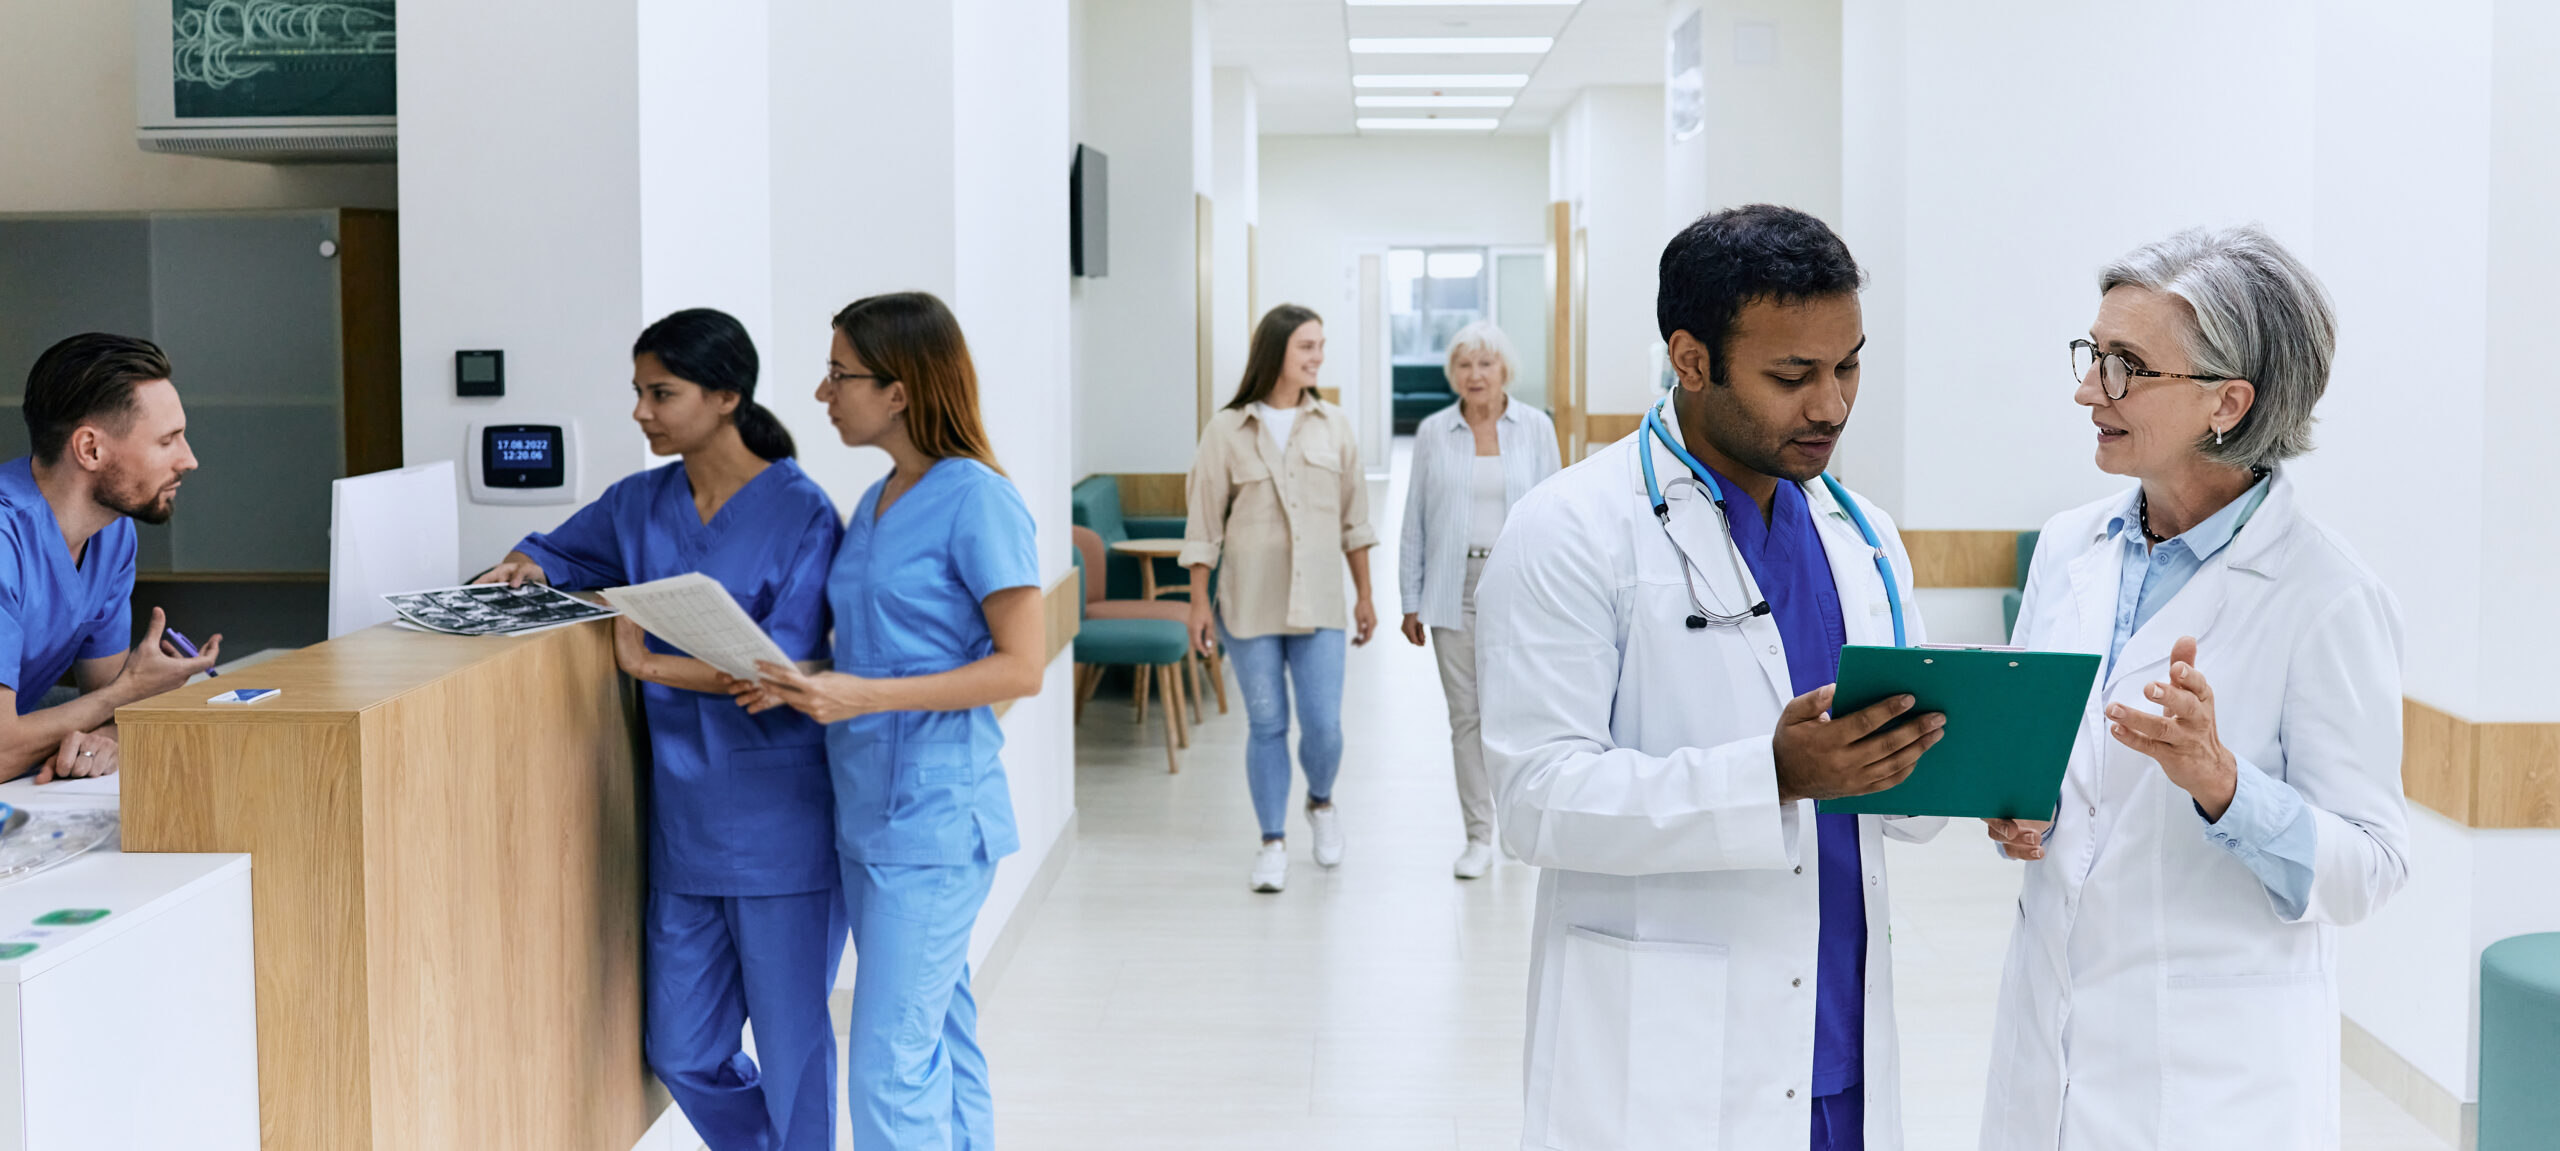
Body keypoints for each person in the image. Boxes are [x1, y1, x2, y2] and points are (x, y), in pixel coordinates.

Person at [1476, 205, 1947, 1151]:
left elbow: (1901, 801)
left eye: (1849, 365)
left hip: (1839, 1035)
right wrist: (1770, 775)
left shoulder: (1861, 537)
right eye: (1793, 376)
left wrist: (1978, 771)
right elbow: (1535, 798)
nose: (1831, 405)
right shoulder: (1570, 528)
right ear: (1691, 360)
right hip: (1669, 1047)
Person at [1979, 227, 2409, 1151]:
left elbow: (2372, 867)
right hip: (2050, 1043)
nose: (2089, 390)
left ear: (2229, 401)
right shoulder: (2069, 547)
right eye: (2092, 354)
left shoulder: (2326, 597)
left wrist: (2223, 782)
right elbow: (2058, 774)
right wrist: (2022, 809)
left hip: (2213, 1084)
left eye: (2126, 367)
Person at [473, 309, 846, 1151]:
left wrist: (649, 665)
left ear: (726, 396)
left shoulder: (802, 513)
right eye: (639, 391)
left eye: (662, 393)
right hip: (685, 828)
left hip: (782, 826)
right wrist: (529, 564)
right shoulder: (639, 503)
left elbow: (783, 670)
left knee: (793, 1052)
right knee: (681, 1048)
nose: (641, 411)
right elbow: (558, 552)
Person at [731, 291, 1043, 1151]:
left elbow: (1021, 665)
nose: (822, 392)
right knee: (939, 1037)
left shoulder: (977, 499)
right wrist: (807, 681)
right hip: (867, 811)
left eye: (840, 374)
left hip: (934, 822)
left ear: (899, 390)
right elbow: (881, 653)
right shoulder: (876, 501)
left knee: (888, 1068)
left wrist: (860, 697)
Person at [1179, 303, 1379, 895]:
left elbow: (1355, 522)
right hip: (1248, 603)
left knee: (1324, 727)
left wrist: (1365, 595)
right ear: (1277, 353)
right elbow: (1203, 527)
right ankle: (1272, 842)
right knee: (1266, 724)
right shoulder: (1225, 430)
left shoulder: (1334, 426)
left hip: (1320, 602)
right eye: (1307, 347)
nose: (1318, 357)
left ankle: (1321, 801)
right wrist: (1197, 603)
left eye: (1321, 346)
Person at [0, 333, 220, 784]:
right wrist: (130, 690)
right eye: (167, 441)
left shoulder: (112, 534)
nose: (190, 460)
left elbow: (105, 706)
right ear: (90, 449)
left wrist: (108, 733)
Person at [1395, 320, 1559, 879]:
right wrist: (1410, 598)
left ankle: (1514, 826)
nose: (1475, 374)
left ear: (1504, 369)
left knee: (1513, 715)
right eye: (1464, 365)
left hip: (1518, 590)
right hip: (1451, 589)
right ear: (1453, 374)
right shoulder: (1433, 432)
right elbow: (1414, 520)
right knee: (1465, 718)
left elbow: (1556, 517)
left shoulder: (1535, 427)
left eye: (1485, 363)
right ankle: (1477, 837)